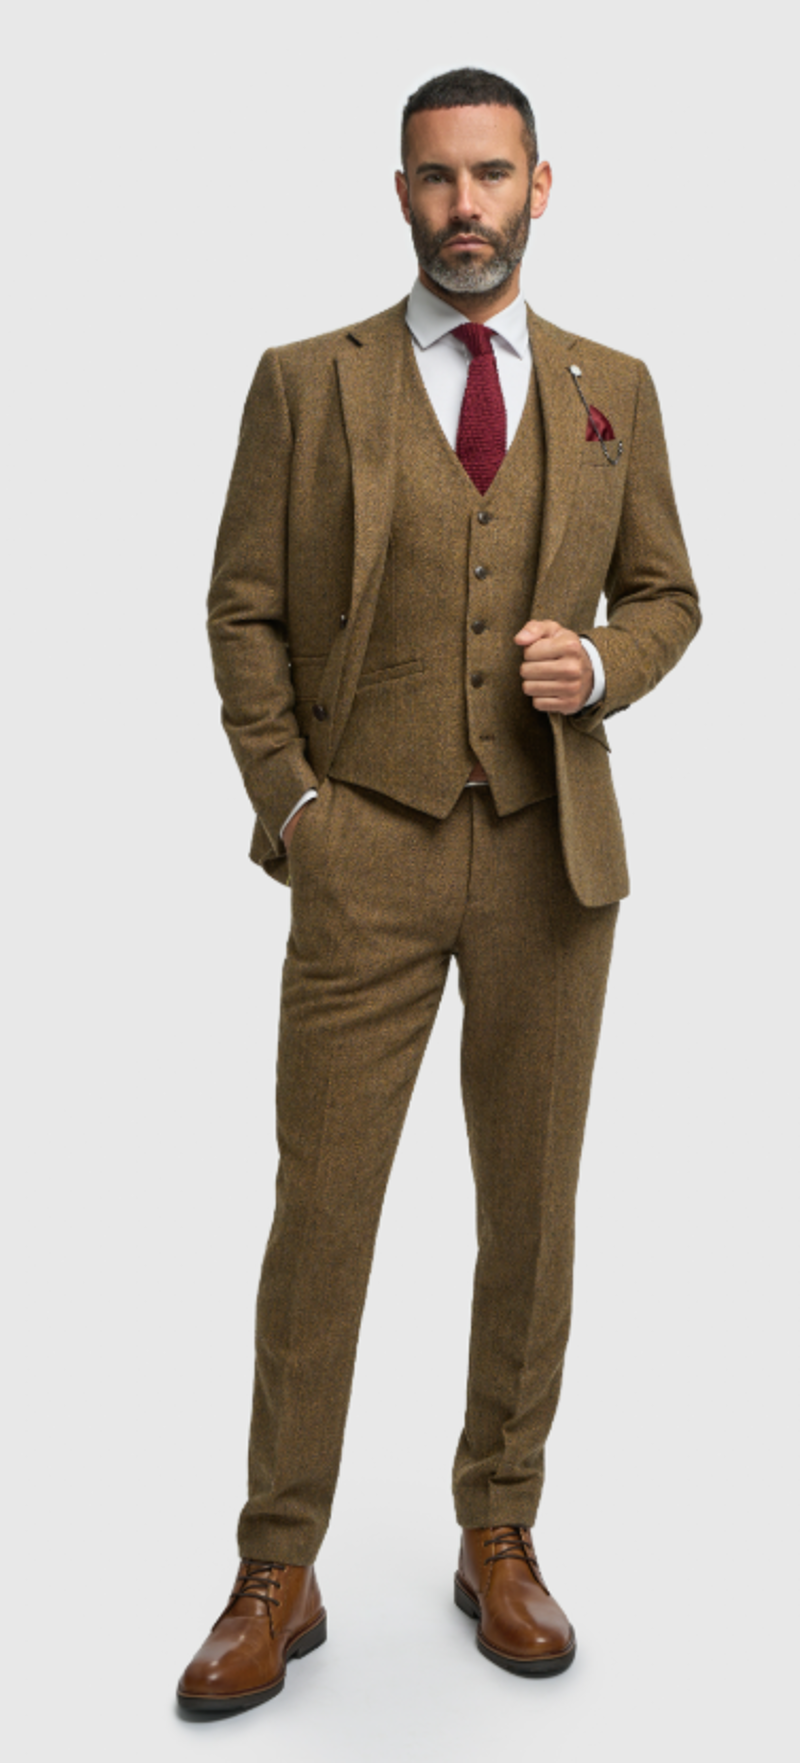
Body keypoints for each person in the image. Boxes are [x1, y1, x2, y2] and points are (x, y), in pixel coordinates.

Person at [177, 66, 700, 1712]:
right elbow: (242, 609)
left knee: (531, 1212)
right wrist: (297, 807)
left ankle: (501, 1529)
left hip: (550, 851)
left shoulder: (615, 389)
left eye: (490, 175)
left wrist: (600, 665)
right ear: (400, 192)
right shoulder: (304, 382)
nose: (463, 206)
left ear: (542, 186)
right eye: (435, 178)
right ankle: (278, 1561)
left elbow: (671, 593)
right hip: (368, 847)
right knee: (322, 1210)